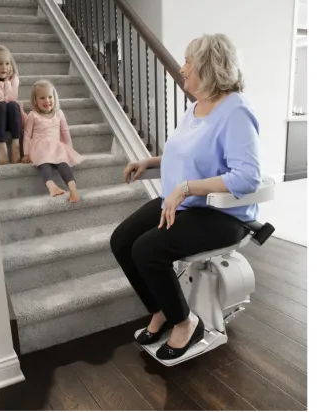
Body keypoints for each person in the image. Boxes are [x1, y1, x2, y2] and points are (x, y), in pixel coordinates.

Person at [111, 33, 261, 361]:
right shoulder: (196, 107)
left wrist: (186, 188)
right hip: (185, 203)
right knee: (122, 241)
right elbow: (186, 157)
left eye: (188, 63)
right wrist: (150, 162)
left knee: (147, 249)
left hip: (223, 215)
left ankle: (185, 323)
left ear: (207, 67)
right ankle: (163, 309)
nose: (182, 69)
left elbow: (248, 177)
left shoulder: (236, 111)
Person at [21, 80, 84, 202]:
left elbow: (65, 132)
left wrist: (69, 148)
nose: (47, 101)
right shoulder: (33, 115)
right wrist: (26, 153)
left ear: (54, 97)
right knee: (44, 165)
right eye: (42, 98)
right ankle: (52, 186)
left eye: (50, 97)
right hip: (39, 147)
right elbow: (27, 135)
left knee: (64, 165)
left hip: (56, 146)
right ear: (35, 100)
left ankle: (73, 189)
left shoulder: (59, 113)